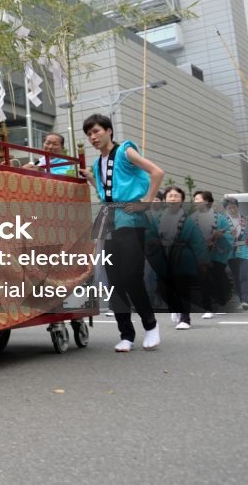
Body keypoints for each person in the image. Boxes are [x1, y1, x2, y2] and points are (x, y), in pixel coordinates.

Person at [80, 113, 164, 352]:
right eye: (89, 134)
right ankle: (126, 334)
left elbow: (157, 172)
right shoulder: (98, 163)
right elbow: (105, 193)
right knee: (114, 280)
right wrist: (90, 179)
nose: (92, 137)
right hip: (109, 219)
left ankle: (151, 326)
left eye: (96, 131)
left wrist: (146, 200)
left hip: (131, 218)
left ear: (109, 131)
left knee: (131, 276)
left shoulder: (126, 151)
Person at [156, 187, 209, 329]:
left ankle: (185, 319)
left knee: (182, 288)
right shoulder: (158, 218)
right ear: (165, 199)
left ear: (182, 200)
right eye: (170, 196)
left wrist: (203, 261)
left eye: (176, 196)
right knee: (162, 288)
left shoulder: (189, 220)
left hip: (182, 256)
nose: (173, 198)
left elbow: (198, 241)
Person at [192, 190, 233, 318]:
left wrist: (221, 236)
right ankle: (207, 308)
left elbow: (230, 235)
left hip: (217, 253)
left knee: (218, 278)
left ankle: (222, 303)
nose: (195, 202)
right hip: (200, 255)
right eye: (194, 200)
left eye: (198, 200)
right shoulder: (192, 218)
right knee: (204, 280)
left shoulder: (220, 218)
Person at [223, 197, 248, 310]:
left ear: (237, 207)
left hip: (245, 250)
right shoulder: (223, 221)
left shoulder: (247, 220)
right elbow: (220, 236)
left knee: (244, 275)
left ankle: (245, 300)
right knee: (236, 277)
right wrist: (228, 234)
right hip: (231, 251)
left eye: (234, 207)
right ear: (226, 209)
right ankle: (240, 297)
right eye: (229, 208)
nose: (232, 210)